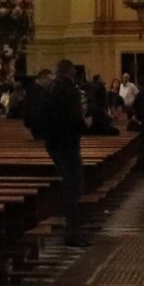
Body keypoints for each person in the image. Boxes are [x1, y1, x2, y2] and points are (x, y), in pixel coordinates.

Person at [27, 59, 91, 247]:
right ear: (71, 72)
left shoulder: (49, 89)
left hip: (53, 143)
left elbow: (39, 116)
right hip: (68, 144)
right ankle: (73, 233)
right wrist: (85, 124)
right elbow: (74, 118)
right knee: (73, 188)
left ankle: (71, 229)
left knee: (67, 186)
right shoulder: (70, 91)